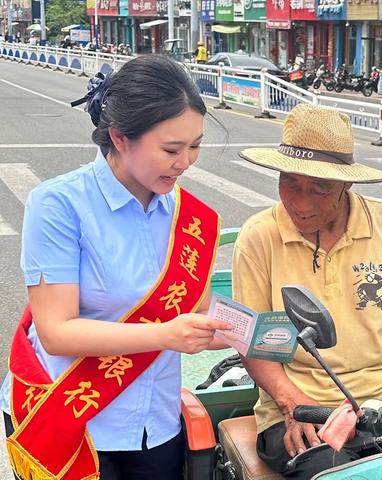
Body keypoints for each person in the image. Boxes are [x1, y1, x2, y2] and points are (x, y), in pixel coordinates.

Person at [0, 55, 232, 480]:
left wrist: (240, 331)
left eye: (195, 146)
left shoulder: (192, 220)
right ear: (120, 138)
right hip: (75, 422)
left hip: (156, 424)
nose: (186, 162)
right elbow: (56, 332)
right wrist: (164, 335)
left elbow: (188, 315)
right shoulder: (60, 206)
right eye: (171, 149)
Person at [232, 104, 382, 480]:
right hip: (306, 410)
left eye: (320, 187)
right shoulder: (259, 236)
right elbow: (255, 340)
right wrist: (291, 404)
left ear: (347, 183)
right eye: (290, 182)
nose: (300, 202)